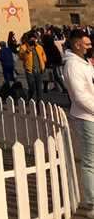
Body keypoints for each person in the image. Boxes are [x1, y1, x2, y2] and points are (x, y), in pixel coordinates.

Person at [63, 29, 94, 218]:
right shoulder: (73, 66)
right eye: (87, 44)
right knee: (90, 162)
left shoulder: (82, 63)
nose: (90, 46)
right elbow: (80, 96)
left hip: (90, 114)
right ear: (77, 44)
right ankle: (92, 203)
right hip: (87, 117)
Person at [18, 31, 47, 104]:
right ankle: (29, 99)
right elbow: (21, 57)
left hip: (39, 70)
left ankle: (40, 103)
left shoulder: (39, 47)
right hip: (30, 70)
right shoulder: (23, 47)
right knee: (32, 88)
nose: (34, 40)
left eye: (35, 39)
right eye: (32, 39)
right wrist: (28, 50)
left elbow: (44, 56)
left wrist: (43, 62)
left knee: (39, 88)